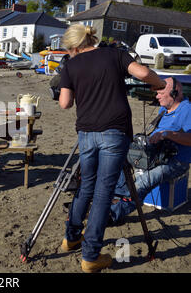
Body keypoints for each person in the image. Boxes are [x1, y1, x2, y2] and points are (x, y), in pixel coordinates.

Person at [57, 24, 166, 273]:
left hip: (86, 132)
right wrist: (159, 84)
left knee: (86, 185)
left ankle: (71, 237)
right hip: (114, 132)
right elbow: (141, 73)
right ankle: (90, 255)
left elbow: (64, 103)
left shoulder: (70, 65)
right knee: (104, 192)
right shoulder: (114, 54)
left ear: (74, 47)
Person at [110, 77, 191, 223]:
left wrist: (168, 134)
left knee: (143, 182)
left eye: (160, 93)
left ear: (175, 93)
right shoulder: (164, 108)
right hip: (155, 154)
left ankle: (111, 214)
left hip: (176, 162)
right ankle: (120, 196)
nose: (157, 96)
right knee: (117, 155)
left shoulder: (187, 110)